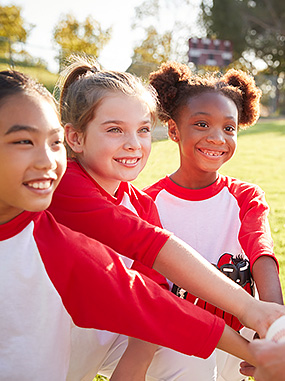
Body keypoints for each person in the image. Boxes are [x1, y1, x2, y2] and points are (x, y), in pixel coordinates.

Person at [0, 68, 270, 381]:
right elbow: (147, 246)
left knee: (184, 353)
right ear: (75, 137)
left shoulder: (142, 204)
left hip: (104, 334)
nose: (133, 144)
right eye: (115, 130)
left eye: (143, 130)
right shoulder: (64, 187)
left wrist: (137, 361)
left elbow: (151, 293)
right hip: (52, 334)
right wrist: (254, 312)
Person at [144, 61, 284, 380]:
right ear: (173, 131)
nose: (218, 138)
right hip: (178, 338)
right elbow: (151, 290)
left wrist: (275, 326)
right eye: (202, 124)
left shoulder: (245, 196)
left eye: (229, 128)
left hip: (239, 330)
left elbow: (262, 256)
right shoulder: (148, 203)